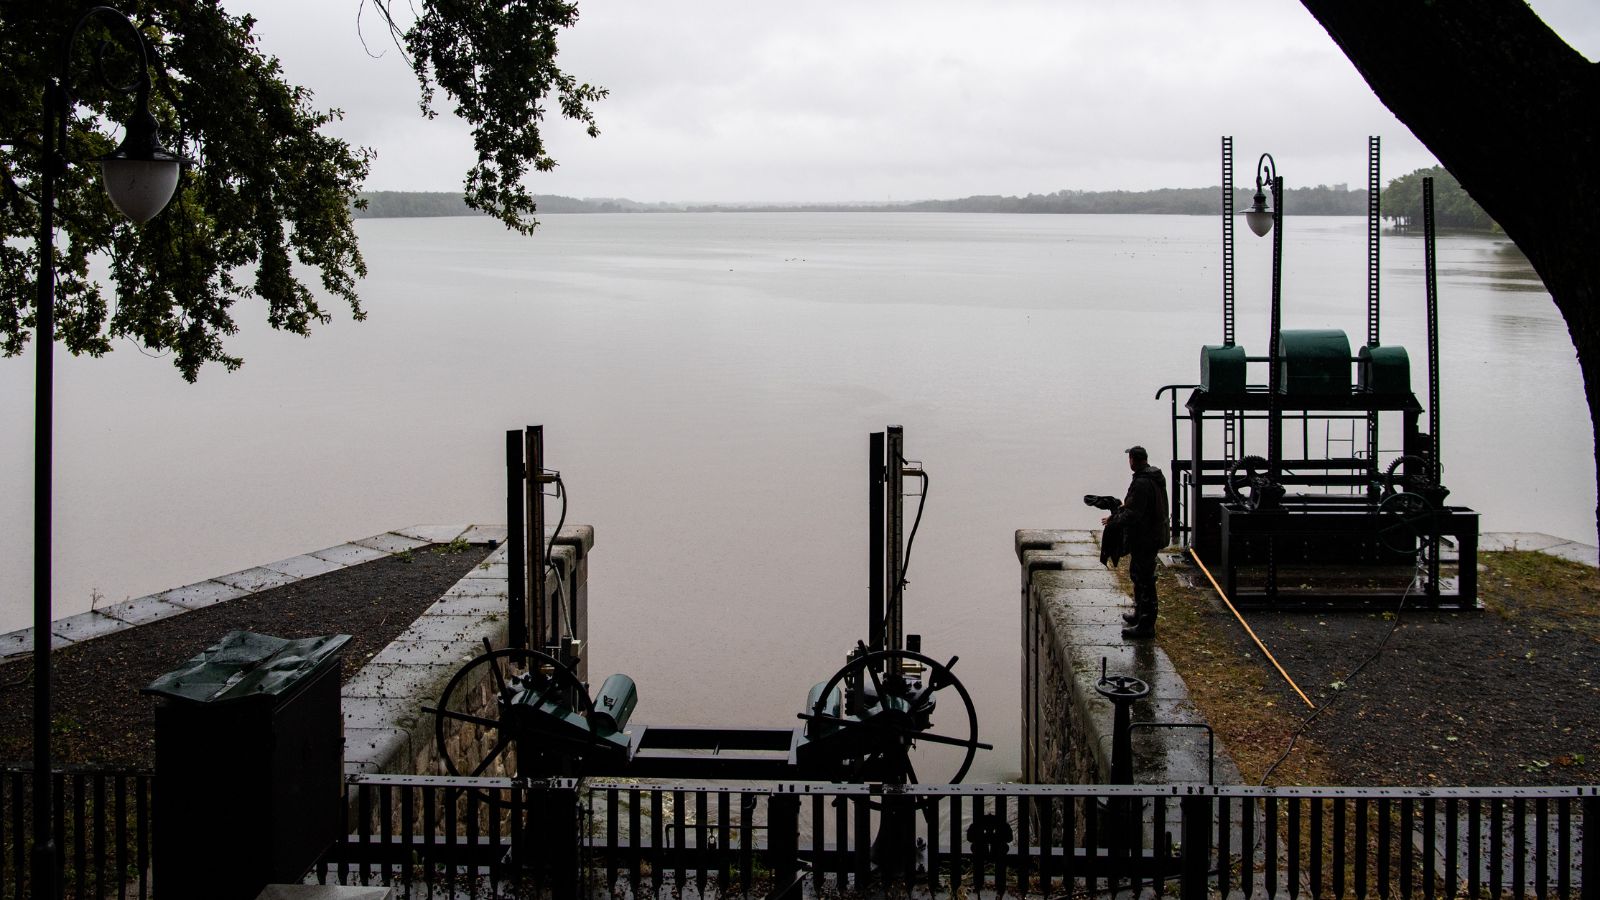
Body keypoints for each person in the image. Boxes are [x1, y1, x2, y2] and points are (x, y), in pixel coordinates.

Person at [1099, 445, 1170, 639]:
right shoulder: (1152, 478)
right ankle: (1139, 614)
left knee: (1145, 579)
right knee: (1138, 574)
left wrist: (1113, 520)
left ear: (1133, 460)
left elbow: (1134, 513)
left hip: (1146, 537)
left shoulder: (1142, 482)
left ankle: (1146, 624)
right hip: (1150, 535)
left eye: (1129, 459)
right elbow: (1138, 506)